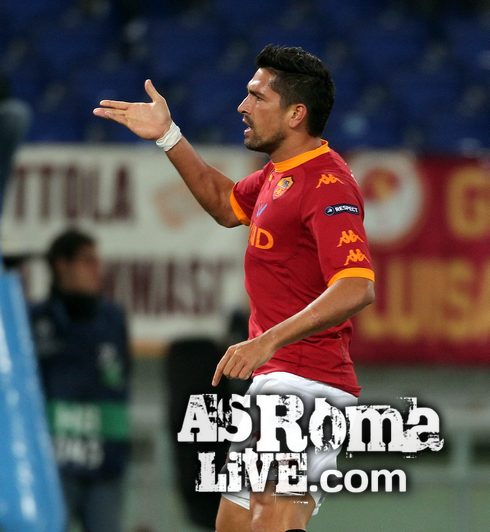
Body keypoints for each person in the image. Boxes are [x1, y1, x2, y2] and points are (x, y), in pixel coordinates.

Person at [94, 44, 375, 532]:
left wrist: (266, 341)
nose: (242, 106)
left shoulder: (328, 184)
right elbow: (224, 203)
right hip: (276, 378)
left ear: (296, 114)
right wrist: (168, 136)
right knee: (233, 525)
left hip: (307, 381)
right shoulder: (277, 176)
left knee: (270, 516)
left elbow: (356, 287)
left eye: (257, 96)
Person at [30, 228, 131, 532]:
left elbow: (121, 379)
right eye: (87, 261)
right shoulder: (36, 320)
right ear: (62, 265)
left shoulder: (113, 318)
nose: (96, 269)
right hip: (53, 464)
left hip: (106, 462)